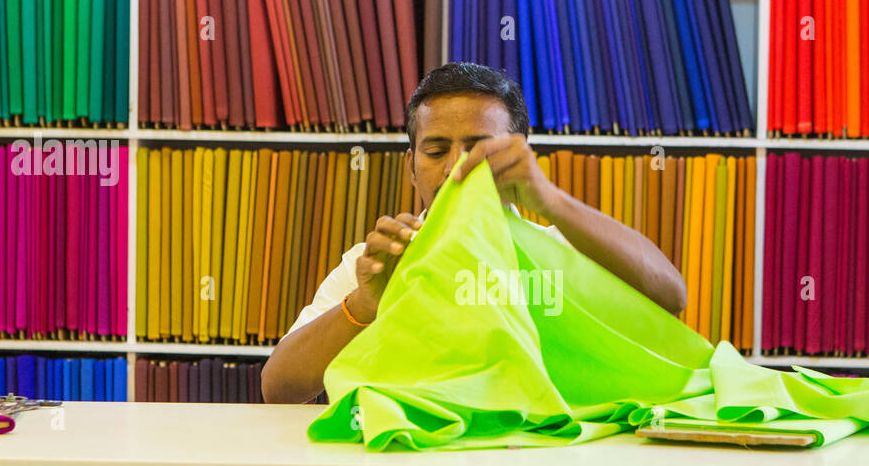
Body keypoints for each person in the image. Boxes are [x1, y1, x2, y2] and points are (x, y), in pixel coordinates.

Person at [262, 62, 688, 405]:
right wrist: (365, 303)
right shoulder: (376, 264)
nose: (453, 168)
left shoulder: (561, 252)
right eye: (435, 151)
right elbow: (279, 389)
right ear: (411, 166)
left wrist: (549, 198)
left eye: (480, 149)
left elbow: (671, 296)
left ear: (519, 153)